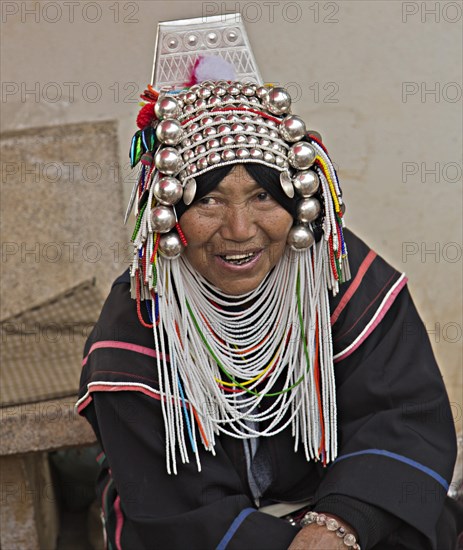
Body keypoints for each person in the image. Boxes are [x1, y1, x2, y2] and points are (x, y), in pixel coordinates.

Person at [77, 25, 462, 550]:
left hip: (340, 504)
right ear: (168, 215)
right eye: (209, 200)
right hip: (200, 528)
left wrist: (339, 525)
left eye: (262, 195)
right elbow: (173, 505)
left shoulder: (342, 277)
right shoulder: (137, 325)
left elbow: (403, 417)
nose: (239, 229)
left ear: (298, 202)